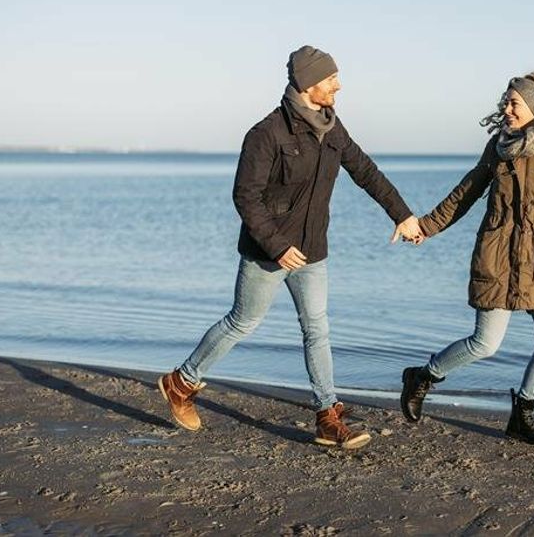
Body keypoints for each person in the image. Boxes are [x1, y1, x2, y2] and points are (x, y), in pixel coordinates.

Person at [158, 45, 423, 449]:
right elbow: (245, 197)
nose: (339, 84)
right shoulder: (266, 134)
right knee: (242, 322)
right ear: (306, 82)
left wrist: (401, 215)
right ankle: (182, 381)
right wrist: (278, 245)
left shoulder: (332, 127)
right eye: (331, 78)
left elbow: (365, 171)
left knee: (317, 327)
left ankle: (326, 414)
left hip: (313, 249)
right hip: (269, 252)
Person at [399, 72, 534, 445]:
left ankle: (523, 414)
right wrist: (426, 227)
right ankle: (423, 376)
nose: (506, 108)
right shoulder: (498, 147)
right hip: (498, 257)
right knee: (485, 344)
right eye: (505, 102)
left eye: (514, 103)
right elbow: (465, 193)